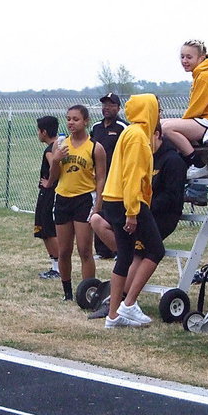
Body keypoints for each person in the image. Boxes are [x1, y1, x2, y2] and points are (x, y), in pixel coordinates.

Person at [89, 122, 185, 319]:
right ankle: (116, 305)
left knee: (143, 250)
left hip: (157, 214)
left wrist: (140, 210)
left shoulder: (171, 160)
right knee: (98, 221)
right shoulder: (140, 150)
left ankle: (124, 300)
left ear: (157, 134)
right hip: (133, 208)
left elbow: (171, 197)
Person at [101, 94, 165, 328]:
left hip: (113, 198)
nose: (158, 113)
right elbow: (133, 177)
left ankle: (113, 314)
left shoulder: (129, 131)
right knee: (156, 250)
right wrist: (132, 211)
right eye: (155, 108)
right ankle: (129, 304)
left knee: (126, 255)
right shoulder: (138, 136)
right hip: (127, 201)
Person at [161, 40, 208, 207]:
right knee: (157, 124)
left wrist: (180, 123)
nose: (184, 61)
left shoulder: (206, 75)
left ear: (201, 58)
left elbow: (196, 108)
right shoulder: (200, 74)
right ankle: (180, 166)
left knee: (167, 127)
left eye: (189, 57)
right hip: (205, 119)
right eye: (182, 57)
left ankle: (197, 164)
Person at [46, 104, 107, 301]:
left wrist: (97, 205)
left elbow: (100, 178)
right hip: (63, 198)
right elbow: (53, 178)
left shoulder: (95, 148)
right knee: (64, 251)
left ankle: (88, 292)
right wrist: (55, 160)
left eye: (76, 119)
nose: (71, 122)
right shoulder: (61, 145)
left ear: (86, 121)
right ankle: (67, 293)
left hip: (84, 199)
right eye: (68, 119)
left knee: (84, 250)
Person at [91, 93, 128, 259]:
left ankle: (117, 247)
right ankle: (102, 249)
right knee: (97, 209)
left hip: (116, 177)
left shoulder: (122, 127)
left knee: (113, 212)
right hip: (98, 176)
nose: (107, 108)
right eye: (104, 104)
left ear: (118, 108)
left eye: (111, 105)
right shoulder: (96, 127)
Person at [33, 116, 60, 279]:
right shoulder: (58, 145)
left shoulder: (50, 149)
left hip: (49, 193)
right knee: (44, 229)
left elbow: (55, 167)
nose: (38, 133)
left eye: (38, 130)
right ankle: (55, 266)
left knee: (48, 229)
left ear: (43, 131)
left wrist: (49, 182)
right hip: (49, 192)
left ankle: (58, 268)